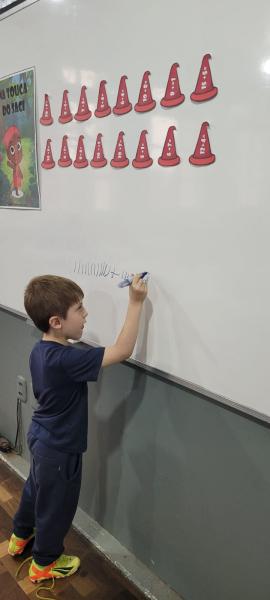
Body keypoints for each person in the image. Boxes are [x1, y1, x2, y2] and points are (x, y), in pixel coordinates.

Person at [8, 273, 147, 584]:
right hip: (61, 447)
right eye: (80, 309)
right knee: (56, 505)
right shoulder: (67, 359)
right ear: (57, 321)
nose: (86, 315)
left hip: (42, 436)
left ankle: (20, 536)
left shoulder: (41, 350)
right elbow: (122, 350)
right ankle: (44, 562)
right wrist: (136, 303)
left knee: (36, 489)